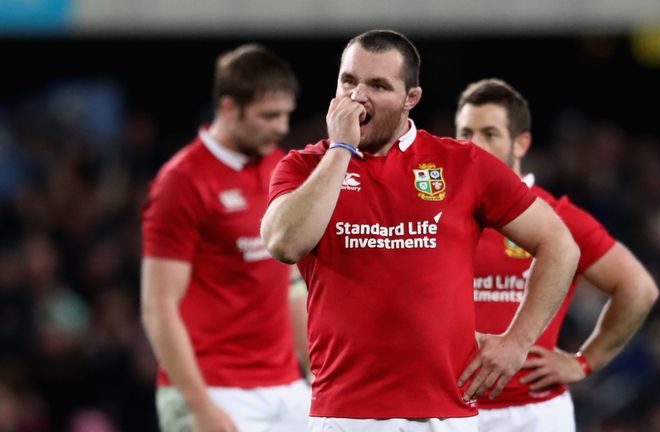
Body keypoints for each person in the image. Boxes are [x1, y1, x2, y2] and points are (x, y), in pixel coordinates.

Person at [260, 30, 580, 432]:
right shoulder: (304, 167)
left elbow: (560, 245)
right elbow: (284, 243)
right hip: (343, 415)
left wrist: (518, 341)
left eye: (378, 86)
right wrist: (341, 150)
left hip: (445, 414)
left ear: (411, 98)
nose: (358, 96)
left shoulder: (462, 163)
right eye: (349, 81)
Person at [455, 78, 660, 431]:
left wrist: (584, 362)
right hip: (448, 408)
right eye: (465, 133)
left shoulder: (557, 218)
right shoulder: (435, 217)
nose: (473, 145)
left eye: (489, 134)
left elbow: (639, 289)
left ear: (521, 143)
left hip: (533, 414)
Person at [141, 44, 310, 432]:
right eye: (269, 116)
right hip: (214, 390)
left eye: (286, 114)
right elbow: (158, 307)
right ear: (230, 108)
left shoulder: (278, 168)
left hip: (285, 389)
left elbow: (290, 283)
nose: (282, 127)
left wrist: (314, 369)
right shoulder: (182, 182)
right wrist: (200, 407)